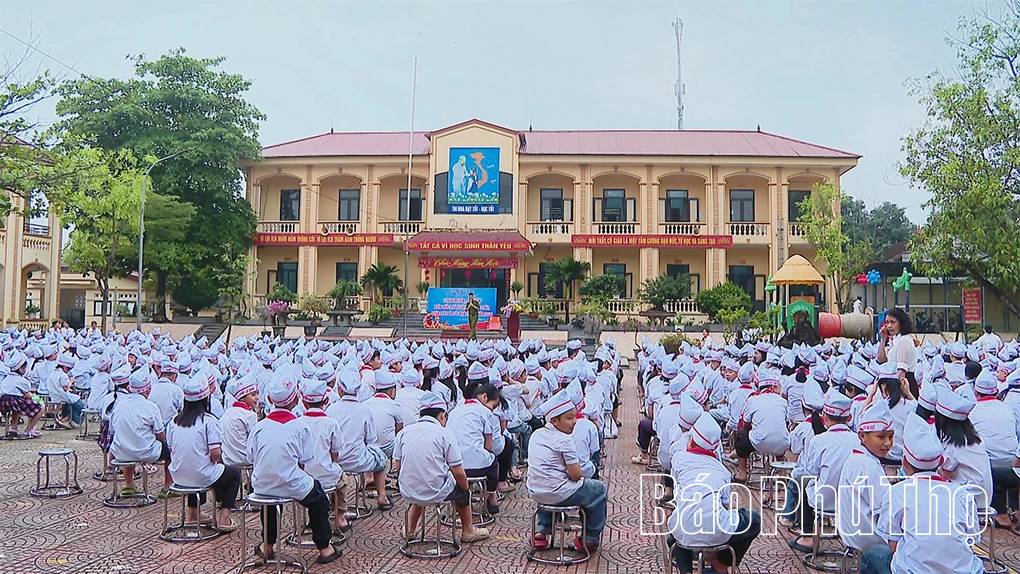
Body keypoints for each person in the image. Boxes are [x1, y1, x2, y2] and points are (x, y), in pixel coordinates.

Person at [867, 413, 983, 574]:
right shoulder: (962, 494)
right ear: (941, 462)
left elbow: (893, 545)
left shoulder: (897, 492)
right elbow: (971, 541)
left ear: (904, 461)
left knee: (873, 554)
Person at [247, 377, 342, 565]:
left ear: (269, 399)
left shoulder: (259, 427)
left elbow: (252, 458)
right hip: (291, 483)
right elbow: (303, 463)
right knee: (320, 500)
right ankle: (325, 548)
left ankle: (267, 545)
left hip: (262, 485)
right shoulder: (300, 427)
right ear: (296, 399)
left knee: (270, 501)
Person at [669, 412, 761, 574]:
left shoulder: (678, 459)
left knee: (680, 523)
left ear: (691, 441)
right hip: (716, 533)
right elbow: (725, 506)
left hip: (683, 530)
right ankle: (720, 563)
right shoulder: (722, 471)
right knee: (753, 520)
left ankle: (686, 570)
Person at [393, 391, 490, 543]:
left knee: (421, 486)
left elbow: (399, 467)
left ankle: (410, 529)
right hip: (436, 491)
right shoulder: (444, 434)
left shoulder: (403, 433)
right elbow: (458, 472)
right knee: (462, 490)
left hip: (408, 491)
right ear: (443, 416)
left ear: (420, 415)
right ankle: (468, 530)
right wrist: (465, 488)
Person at [527, 390, 608, 553]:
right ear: (554, 420)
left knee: (551, 484)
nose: (574, 422)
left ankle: (541, 532)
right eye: (569, 418)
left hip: (535, 491)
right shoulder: (564, 440)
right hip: (558, 492)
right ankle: (590, 538)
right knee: (598, 490)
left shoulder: (536, 434)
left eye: (575, 417)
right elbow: (576, 475)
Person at [788, 389, 860, 553]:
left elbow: (811, 471)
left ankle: (808, 537)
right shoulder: (858, 440)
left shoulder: (819, 441)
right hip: (851, 501)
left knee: (802, 480)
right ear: (849, 418)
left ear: (825, 417)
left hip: (824, 500)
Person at [166, 379, 240, 532]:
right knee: (233, 475)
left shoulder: (174, 422)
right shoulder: (209, 422)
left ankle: (193, 514)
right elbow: (215, 454)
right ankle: (224, 518)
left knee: (195, 464)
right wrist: (213, 460)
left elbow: (172, 449)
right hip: (200, 475)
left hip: (178, 475)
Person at [837, 401, 895, 574]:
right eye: (881, 437)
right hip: (869, 538)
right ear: (862, 435)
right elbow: (885, 510)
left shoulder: (858, 459)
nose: (888, 443)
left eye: (891, 437)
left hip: (852, 532)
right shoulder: (868, 466)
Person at [325, 367, 392, 510]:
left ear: (340, 390)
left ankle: (333, 499)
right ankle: (382, 496)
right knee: (381, 459)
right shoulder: (364, 410)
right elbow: (371, 440)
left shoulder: (331, 410)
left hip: (335, 462)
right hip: (358, 461)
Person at [299, 379, 353, 535]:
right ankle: (340, 517)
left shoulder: (298, 423)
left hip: (304, 477)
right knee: (343, 481)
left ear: (304, 402)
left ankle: (312, 517)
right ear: (326, 401)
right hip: (326, 475)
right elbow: (335, 455)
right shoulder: (331, 423)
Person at [110, 371, 172, 496]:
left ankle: (128, 484)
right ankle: (168, 487)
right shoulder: (151, 407)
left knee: (127, 440)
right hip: (146, 452)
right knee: (171, 448)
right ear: (148, 389)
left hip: (120, 452)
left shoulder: (119, 406)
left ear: (129, 388)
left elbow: (112, 431)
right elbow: (161, 436)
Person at [0, 351, 44, 438]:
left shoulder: (6, 378)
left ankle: (13, 428)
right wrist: (37, 398)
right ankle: (29, 429)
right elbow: (28, 395)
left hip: (3, 402)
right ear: (21, 368)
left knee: (16, 408)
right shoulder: (22, 381)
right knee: (41, 407)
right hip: (15, 402)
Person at [876, 308, 918, 398]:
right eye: (887, 322)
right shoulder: (896, 339)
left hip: (904, 385)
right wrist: (883, 339)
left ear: (901, 323)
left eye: (892, 322)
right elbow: (881, 360)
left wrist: (896, 394)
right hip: (894, 384)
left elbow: (901, 373)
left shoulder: (904, 341)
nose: (889, 326)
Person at [220, 378, 259, 467]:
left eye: (257, 393)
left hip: (228, 461)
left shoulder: (227, 413)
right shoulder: (250, 415)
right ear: (242, 398)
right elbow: (254, 441)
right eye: (253, 394)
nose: (257, 397)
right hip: (246, 461)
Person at [46, 353, 85, 428]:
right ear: (64, 367)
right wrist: (71, 381)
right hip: (62, 396)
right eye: (68, 369)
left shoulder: (53, 373)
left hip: (54, 396)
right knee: (81, 406)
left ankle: (63, 418)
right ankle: (65, 420)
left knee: (69, 405)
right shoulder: (63, 375)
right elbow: (65, 388)